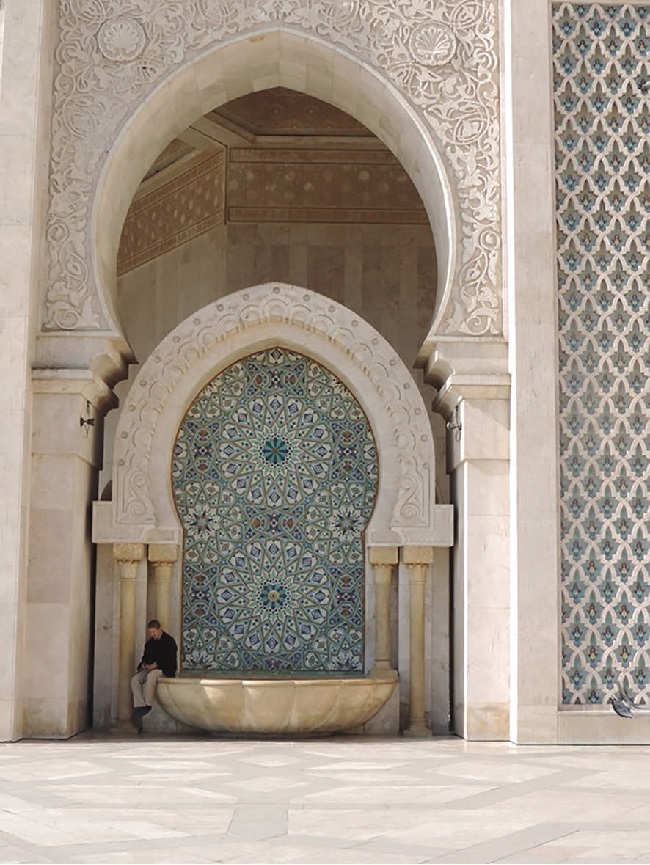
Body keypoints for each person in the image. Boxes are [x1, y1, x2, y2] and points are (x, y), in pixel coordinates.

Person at [131, 619, 177, 720]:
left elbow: (170, 660)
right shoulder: (150, 643)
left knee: (151, 676)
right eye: (150, 632)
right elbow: (145, 658)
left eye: (154, 632)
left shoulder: (169, 641)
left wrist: (156, 665)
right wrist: (143, 665)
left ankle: (148, 704)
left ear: (159, 629)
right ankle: (139, 705)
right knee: (135, 679)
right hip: (150, 668)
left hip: (164, 669)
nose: (152, 634)